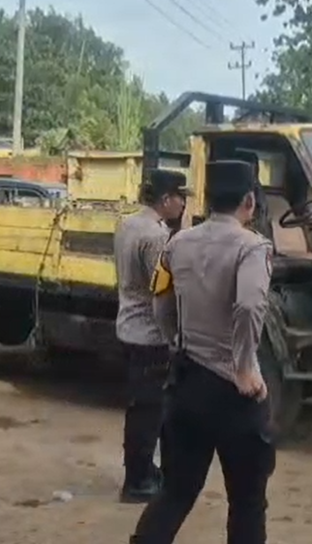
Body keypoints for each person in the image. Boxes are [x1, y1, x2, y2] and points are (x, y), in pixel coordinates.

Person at [129, 160, 275, 544]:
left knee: (176, 491)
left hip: (188, 382)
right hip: (234, 392)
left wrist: (174, 338)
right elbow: (248, 306)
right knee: (246, 502)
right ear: (249, 200)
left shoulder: (178, 241)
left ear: (208, 199)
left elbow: (159, 297)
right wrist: (244, 366)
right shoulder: (253, 247)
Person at [114, 169, 190, 503]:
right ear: (165, 200)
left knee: (140, 406)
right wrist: (173, 334)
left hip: (128, 325)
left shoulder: (128, 225)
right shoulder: (157, 237)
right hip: (149, 334)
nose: (184, 203)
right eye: (180, 197)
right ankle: (138, 479)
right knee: (149, 410)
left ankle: (142, 470)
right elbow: (161, 292)